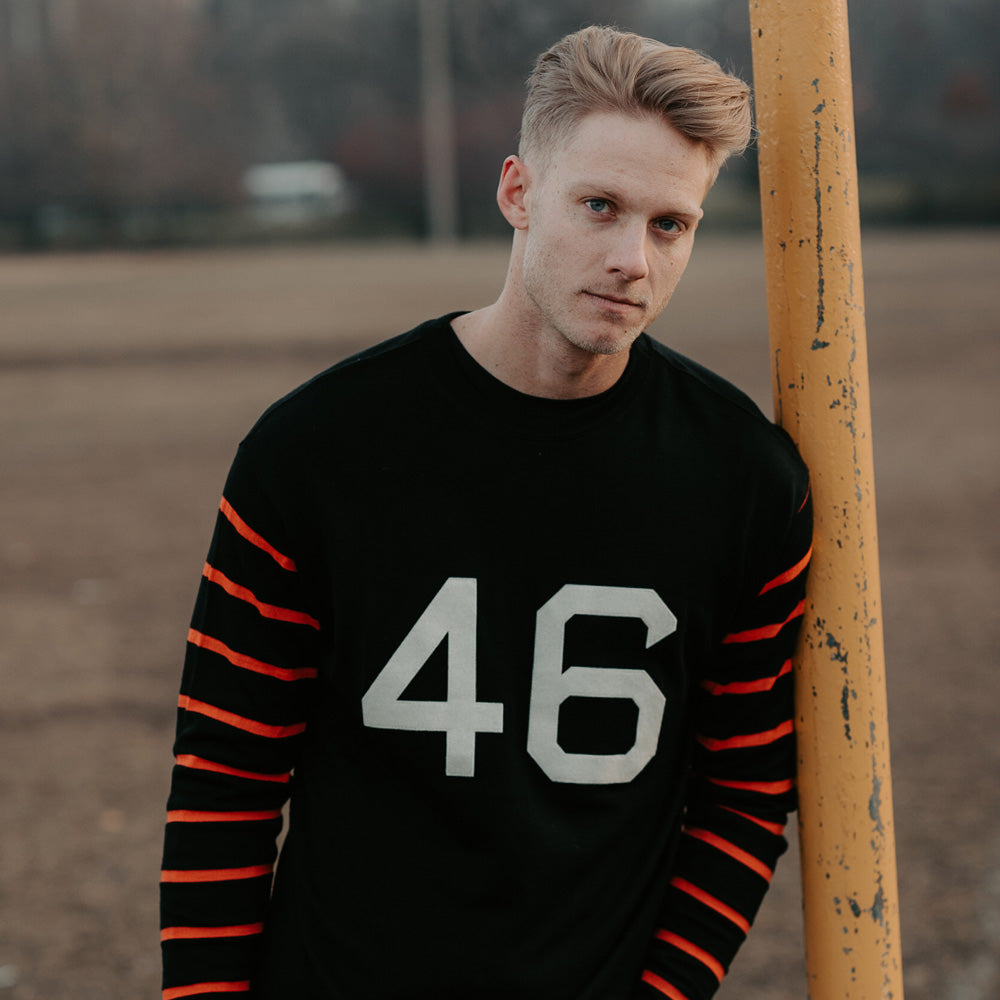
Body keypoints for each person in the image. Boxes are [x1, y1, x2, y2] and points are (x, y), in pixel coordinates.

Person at [160, 24, 812, 1000]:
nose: (632, 257)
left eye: (668, 224)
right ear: (517, 192)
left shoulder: (748, 483)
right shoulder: (315, 453)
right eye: (599, 206)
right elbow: (227, 779)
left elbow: (745, 795)